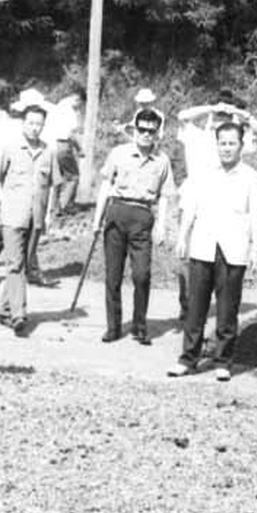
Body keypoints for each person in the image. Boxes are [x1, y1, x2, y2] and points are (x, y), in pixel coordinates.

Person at [171, 119, 257, 382]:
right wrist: (182, 237)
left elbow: (256, 216)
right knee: (196, 307)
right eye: (222, 143)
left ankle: (223, 360)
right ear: (216, 145)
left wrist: (255, 250)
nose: (227, 148)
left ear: (241, 146)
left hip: (234, 249)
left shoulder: (251, 177)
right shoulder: (203, 173)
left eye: (232, 143)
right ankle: (188, 359)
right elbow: (189, 208)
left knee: (228, 308)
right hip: (203, 246)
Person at [90, 105, 176, 344]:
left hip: (143, 217)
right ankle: (113, 327)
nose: (146, 134)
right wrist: (97, 219)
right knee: (113, 276)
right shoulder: (118, 153)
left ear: (157, 133)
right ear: (134, 129)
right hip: (117, 212)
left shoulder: (162, 161)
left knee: (142, 275)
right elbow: (106, 186)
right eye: (142, 129)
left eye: (151, 130)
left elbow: (167, 195)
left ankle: (139, 326)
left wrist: (161, 225)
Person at [0, 101, 54, 338]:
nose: (35, 128)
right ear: (23, 124)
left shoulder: (48, 152)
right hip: (12, 216)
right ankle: (19, 315)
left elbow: (51, 185)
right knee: (15, 265)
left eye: (39, 124)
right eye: (31, 123)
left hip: (35, 217)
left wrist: (48, 215)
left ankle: (3, 310)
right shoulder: (9, 149)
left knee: (22, 266)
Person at [177, 90, 257, 185]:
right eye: (219, 114)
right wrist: (212, 108)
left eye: (227, 115)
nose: (222, 117)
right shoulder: (196, 136)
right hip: (196, 194)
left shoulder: (235, 143)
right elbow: (182, 117)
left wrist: (238, 112)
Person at [44, 92, 83, 235]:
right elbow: (70, 135)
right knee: (73, 176)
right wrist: (80, 149)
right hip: (63, 145)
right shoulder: (70, 112)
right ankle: (62, 206)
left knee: (57, 178)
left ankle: (54, 206)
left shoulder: (56, 109)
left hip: (52, 145)